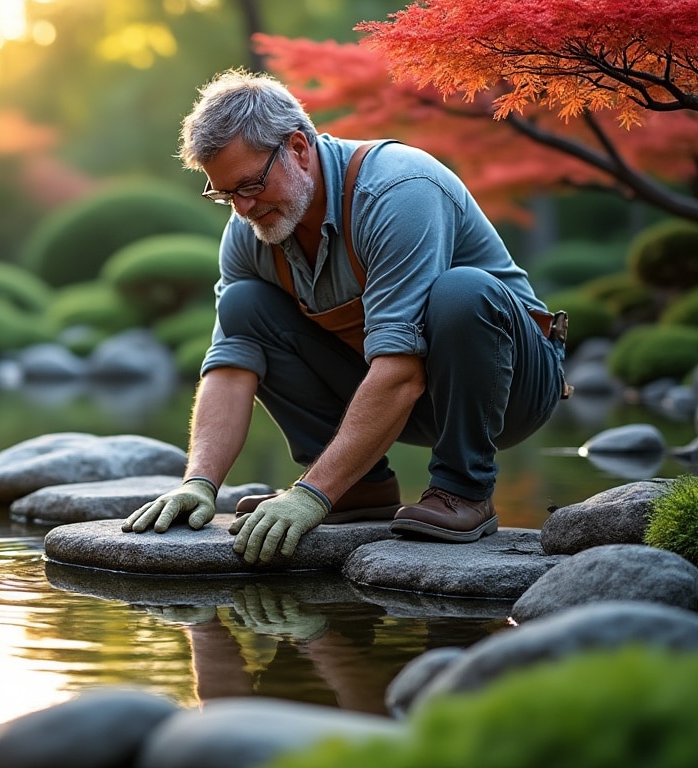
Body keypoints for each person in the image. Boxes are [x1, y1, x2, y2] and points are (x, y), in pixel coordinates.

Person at [123, 68, 568, 566]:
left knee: (460, 291)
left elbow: (401, 370)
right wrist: (199, 484)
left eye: (250, 185)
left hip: (510, 388)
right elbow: (230, 366)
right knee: (243, 304)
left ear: (296, 147)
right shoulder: (250, 229)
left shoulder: (399, 191)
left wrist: (309, 495)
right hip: (403, 394)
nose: (243, 208)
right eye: (227, 194)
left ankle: (464, 490)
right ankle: (358, 488)